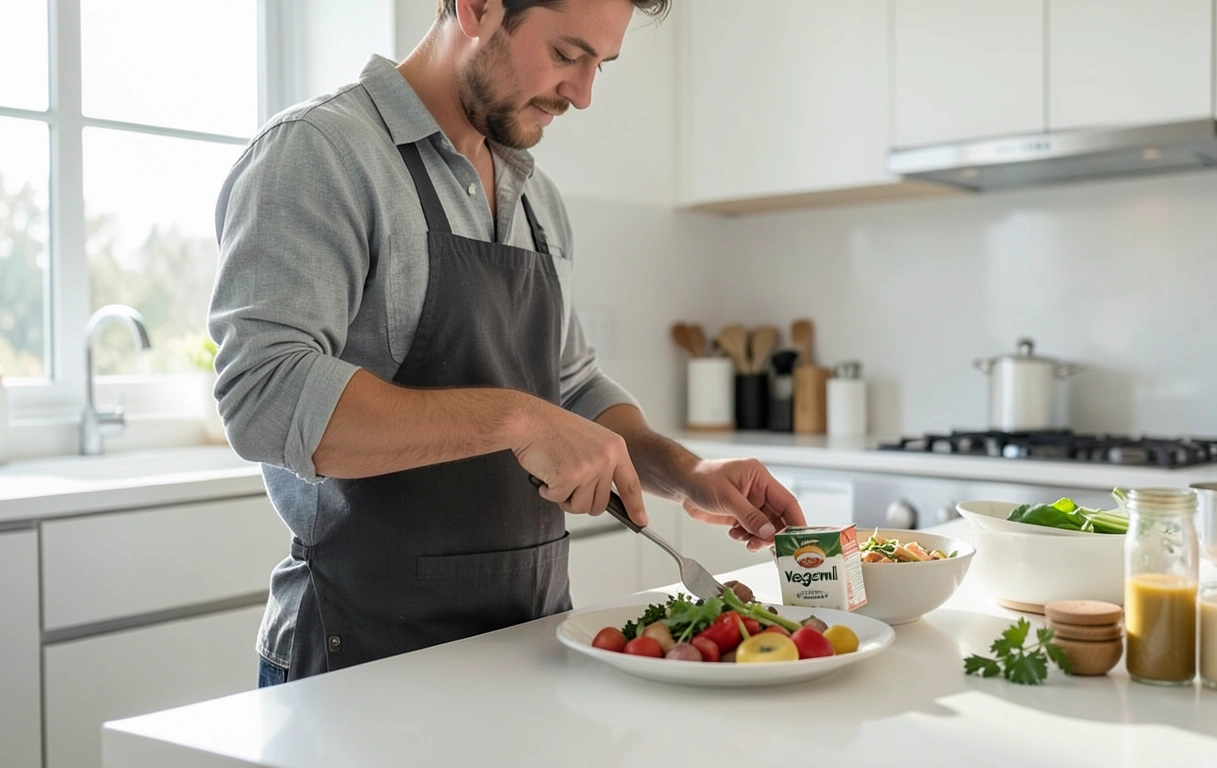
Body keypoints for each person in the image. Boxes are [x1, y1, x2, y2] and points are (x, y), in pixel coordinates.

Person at [211, 0, 807, 686]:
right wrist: (518, 419)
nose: (581, 95)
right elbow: (264, 397)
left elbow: (572, 387)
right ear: (476, 8)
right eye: (565, 55)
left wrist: (685, 474)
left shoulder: (536, 197)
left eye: (598, 67)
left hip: (534, 644)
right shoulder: (320, 153)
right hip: (363, 660)